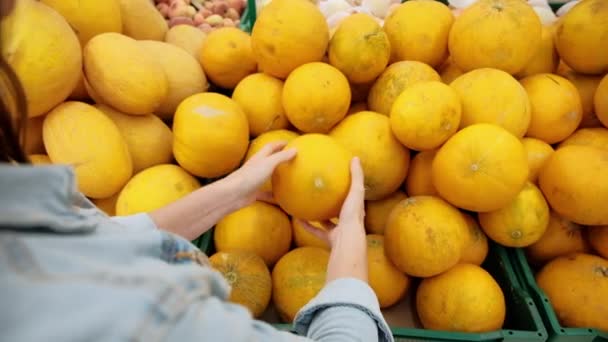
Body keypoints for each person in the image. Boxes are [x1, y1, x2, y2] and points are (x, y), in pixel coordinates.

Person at [0, 2, 392, 341]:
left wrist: (234, 190)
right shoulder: (135, 313)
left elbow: (97, 246)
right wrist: (350, 242)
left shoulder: (26, 230)